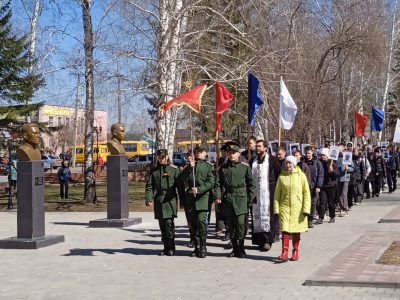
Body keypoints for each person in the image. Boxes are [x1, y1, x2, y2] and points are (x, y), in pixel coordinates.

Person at [215, 144, 256, 258]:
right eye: (229, 153)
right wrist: (218, 196)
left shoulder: (244, 167)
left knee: (241, 224)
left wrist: (251, 198)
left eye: (233, 153)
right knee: (231, 226)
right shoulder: (223, 168)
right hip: (228, 198)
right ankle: (235, 248)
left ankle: (241, 247)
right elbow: (217, 184)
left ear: (238, 154)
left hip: (241, 198)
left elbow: (251, 184)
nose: (231, 155)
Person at [178, 144, 215, 258]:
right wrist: (189, 167)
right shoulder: (190, 166)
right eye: (197, 151)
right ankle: (196, 246)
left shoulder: (209, 166)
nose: (199, 153)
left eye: (201, 151)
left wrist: (199, 189)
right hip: (190, 199)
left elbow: (211, 182)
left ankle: (203, 245)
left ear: (205, 153)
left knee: (201, 222)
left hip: (203, 198)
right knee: (192, 224)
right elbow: (180, 179)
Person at [273, 155, 311, 262]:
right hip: (284, 207)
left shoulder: (301, 176)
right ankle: (284, 253)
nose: (288, 165)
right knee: (285, 230)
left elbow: (306, 194)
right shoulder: (282, 177)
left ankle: (295, 252)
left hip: (297, 208)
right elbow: (277, 195)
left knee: (295, 230)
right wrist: (276, 209)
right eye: (287, 163)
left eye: (290, 163)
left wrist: (306, 209)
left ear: (294, 164)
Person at [145, 149, 180, 256]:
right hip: (159, 200)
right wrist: (148, 198)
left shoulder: (173, 169)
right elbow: (150, 186)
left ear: (167, 157)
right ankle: (165, 247)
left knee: (169, 223)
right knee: (162, 225)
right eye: (160, 157)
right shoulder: (154, 171)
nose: (162, 159)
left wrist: (183, 201)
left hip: (170, 199)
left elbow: (180, 186)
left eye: (163, 157)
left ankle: (171, 247)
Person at [248, 140, 280, 251]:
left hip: (268, 193)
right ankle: (259, 240)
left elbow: (278, 175)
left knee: (268, 215)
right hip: (256, 193)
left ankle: (268, 241)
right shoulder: (253, 160)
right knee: (256, 216)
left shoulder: (272, 160)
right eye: (256, 146)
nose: (257, 148)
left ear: (265, 148)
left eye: (259, 146)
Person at [304, 146, 324, 228]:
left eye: (309, 153)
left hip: (314, 186)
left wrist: (318, 186)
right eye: (306, 153)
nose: (307, 155)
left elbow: (320, 174)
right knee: (305, 203)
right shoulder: (303, 162)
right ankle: (305, 219)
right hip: (304, 186)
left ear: (312, 153)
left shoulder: (317, 162)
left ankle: (310, 220)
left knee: (313, 203)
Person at [318, 148, 339, 223]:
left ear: (327, 156)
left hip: (331, 186)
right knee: (322, 202)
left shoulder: (332, 163)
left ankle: (332, 217)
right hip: (323, 186)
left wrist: (332, 171)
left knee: (331, 202)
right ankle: (321, 217)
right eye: (322, 155)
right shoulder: (320, 163)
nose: (323, 157)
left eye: (324, 155)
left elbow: (337, 175)